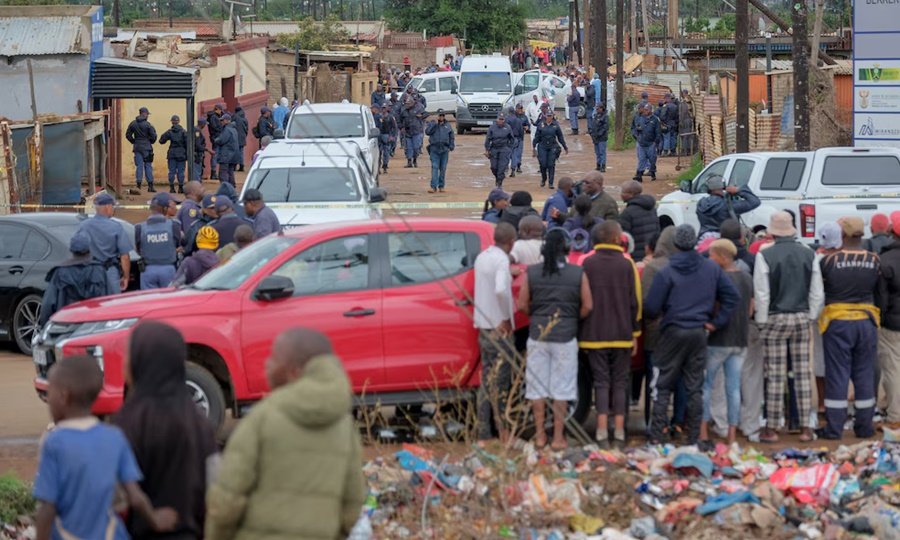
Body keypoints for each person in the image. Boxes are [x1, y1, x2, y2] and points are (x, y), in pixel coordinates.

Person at [205, 328, 365, 540]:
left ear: (294, 372)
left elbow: (227, 499)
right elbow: (353, 503)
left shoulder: (262, 418)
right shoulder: (344, 427)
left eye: (274, 358)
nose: (267, 364)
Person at [34, 356, 177, 540]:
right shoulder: (114, 437)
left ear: (64, 396)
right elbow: (135, 497)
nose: (48, 399)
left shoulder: (53, 442)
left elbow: (48, 508)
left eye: (49, 393)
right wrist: (155, 520)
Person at [112, 322, 217, 540]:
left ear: (142, 362)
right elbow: (216, 496)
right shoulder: (199, 423)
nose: (124, 363)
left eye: (128, 355)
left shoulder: (128, 422)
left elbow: (116, 499)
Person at [645, 224, 740, 445]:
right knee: (694, 386)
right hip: (698, 332)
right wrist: (715, 322)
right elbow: (732, 297)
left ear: (675, 244)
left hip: (672, 332)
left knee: (662, 385)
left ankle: (657, 438)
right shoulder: (711, 269)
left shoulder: (666, 271)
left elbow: (651, 307)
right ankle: (694, 438)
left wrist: (665, 313)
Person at [517, 228, 592, 450]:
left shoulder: (532, 272)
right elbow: (588, 305)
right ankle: (559, 437)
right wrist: (571, 318)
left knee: (536, 387)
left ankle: (540, 435)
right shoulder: (577, 273)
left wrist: (536, 315)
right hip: (566, 337)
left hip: (538, 336)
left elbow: (522, 304)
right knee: (563, 387)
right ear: (567, 248)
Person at [753, 211, 823, 443]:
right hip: (802, 316)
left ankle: (772, 427)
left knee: (774, 373)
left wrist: (762, 321)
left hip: (775, 317)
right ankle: (805, 427)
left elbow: (762, 293)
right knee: (803, 372)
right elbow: (816, 291)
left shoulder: (765, 255)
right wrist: (811, 315)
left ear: (772, 231)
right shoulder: (808, 253)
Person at [817, 216, 880, 440]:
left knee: (837, 374)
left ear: (841, 235)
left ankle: (834, 428)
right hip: (866, 321)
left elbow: (820, 293)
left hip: (838, 323)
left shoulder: (829, 262)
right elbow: (879, 294)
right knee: (864, 373)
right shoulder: (874, 260)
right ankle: (864, 427)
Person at [580, 221, 642, 449]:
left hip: (593, 334)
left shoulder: (586, 263)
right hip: (623, 333)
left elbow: (581, 299)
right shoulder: (628, 265)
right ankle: (618, 433)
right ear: (617, 239)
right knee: (620, 382)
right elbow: (635, 302)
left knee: (600, 382)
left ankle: (601, 432)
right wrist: (635, 332)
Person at [699, 239, 753, 448]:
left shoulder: (716, 278)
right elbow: (750, 309)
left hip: (718, 339)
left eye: (712, 255)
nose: (709, 259)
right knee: (733, 388)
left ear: (722, 257)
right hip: (741, 339)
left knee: (706, 385)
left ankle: (703, 432)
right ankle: (731, 434)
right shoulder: (746, 277)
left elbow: (712, 307)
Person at [473, 222, 518, 442]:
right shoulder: (501, 260)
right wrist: (506, 318)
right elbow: (500, 289)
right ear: (511, 242)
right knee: (501, 383)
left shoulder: (483, 257)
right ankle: (503, 432)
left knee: (486, 379)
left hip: (483, 325)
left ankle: (483, 430)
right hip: (498, 328)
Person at [39, 232, 110, 326]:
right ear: (89, 249)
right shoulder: (99, 270)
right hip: (94, 326)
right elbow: (110, 299)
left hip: (67, 326)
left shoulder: (60, 272)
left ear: (71, 250)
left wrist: (46, 326)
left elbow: (48, 304)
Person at [77, 193, 131, 294]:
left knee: (92, 305)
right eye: (113, 206)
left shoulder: (84, 225)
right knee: (112, 305)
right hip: (109, 272)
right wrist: (126, 277)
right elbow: (125, 256)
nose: (114, 209)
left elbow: (77, 250)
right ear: (107, 206)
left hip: (91, 272)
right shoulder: (116, 227)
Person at [877, 211, 900, 429]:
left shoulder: (885, 260)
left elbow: (881, 297)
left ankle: (895, 414)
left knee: (892, 368)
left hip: (892, 323)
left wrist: (881, 319)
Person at [135, 193, 181, 290]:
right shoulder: (174, 225)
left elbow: (138, 249)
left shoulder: (139, 228)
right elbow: (178, 244)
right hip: (168, 269)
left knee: (151, 303)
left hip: (147, 270)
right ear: (165, 209)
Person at [696, 176, 761, 237]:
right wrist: (738, 190)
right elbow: (755, 201)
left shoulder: (701, 203)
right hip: (726, 241)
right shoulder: (728, 205)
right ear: (723, 187)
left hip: (704, 239)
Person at [619, 180, 659, 261]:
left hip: (635, 256)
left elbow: (624, 238)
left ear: (631, 194)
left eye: (623, 192)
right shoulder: (652, 208)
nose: (620, 194)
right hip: (650, 254)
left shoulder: (627, 213)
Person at [532, 111, 568, 189]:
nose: (549, 117)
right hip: (542, 146)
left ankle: (551, 182)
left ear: (552, 116)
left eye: (550, 116)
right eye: (548, 116)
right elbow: (537, 136)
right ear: (545, 116)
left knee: (551, 164)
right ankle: (543, 178)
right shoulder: (541, 125)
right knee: (543, 164)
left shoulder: (556, 125)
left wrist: (565, 147)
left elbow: (560, 137)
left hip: (552, 146)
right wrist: (533, 147)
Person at [126, 106, 158, 192]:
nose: (147, 116)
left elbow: (128, 135)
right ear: (144, 114)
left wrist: (134, 141)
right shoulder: (148, 125)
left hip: (137, 147)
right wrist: (150, 142)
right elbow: (154, 136)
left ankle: (138, 185)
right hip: (147, 147)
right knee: (148, 166)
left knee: (139, 166)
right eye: (147, 114)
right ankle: (150, 186)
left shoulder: (133, 123)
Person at [425, 109, 455, 193]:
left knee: (443, 168)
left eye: (442, 115)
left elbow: (451, 136)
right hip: (434, 149)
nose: (441, 117)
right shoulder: (432, 124)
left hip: (444, 150)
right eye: (440, 115)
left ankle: (441, 186)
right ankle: (433, 186)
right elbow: (427, 132)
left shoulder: (448, 125)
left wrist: (451, 145)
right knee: (434, 167)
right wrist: (434, 124)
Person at [631, 103, 661, 182]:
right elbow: (635, 128)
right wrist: (637, 134)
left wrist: (656, 142)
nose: (645, 111)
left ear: (651, 110)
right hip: (642, 142)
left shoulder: (655, 119)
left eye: (647, 110)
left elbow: (658, 132)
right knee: (641, 159)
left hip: (651, 143)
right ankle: (639, 175)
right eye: (645, 110)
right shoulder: (641, 118)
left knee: (652, 159)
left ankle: (653, 173)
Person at [158, 115, 188, 194]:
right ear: (179, 121)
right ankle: (180, 188)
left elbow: (161, 141)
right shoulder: (183, 132)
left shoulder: (169, 132)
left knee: (171, 171)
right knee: (181, 171)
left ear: (172, 122)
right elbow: (187, 143)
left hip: (172, 153)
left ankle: (172, 188)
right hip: (181, 153)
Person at [484, 113, 516, 188]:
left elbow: (512, 139)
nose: (501, 121)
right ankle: (497, 177)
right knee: (493, 167)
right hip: (494, 149)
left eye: (502, 119)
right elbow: (488, 139)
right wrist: (487, 149)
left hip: (504, 149)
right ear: (496, 120)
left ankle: (499, 182)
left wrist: (509, 148)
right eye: (499, 119)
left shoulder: (508, 127)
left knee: (502, 167)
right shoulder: (492, 128)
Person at [399, 97, 426, 168]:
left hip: (416, 131)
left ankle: (415, 160)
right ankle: (409, 162)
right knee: (408, 148)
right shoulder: (404, 111)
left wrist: (421, 116)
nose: (407, 105)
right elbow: (399, 119)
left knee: (416, 147)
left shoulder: (418, 108)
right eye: (406, 104)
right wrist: (401, 127)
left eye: (408, 104)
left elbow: (426, 114)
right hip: (407, 132)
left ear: (412, 103)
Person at [214, 113, 240, 187]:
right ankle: (232, 186)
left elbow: (222, 140)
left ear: (227, 120)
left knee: (223, 173)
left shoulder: (227, 129)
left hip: (226, 155)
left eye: (222, 120)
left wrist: (216, 140)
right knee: (230, 172)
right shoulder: (234, 129)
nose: (221, 122)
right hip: (233, 155)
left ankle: (225, 187)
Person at [206, 104, 225, 180]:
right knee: (215, 154)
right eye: (220, 110)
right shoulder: (214, 117)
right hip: (216, 137)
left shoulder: (215, 116)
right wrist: (221, 126)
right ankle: (213, 172)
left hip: (216, 136)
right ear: (217, 109)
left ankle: (214, 172)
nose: (221, 112)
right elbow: (215, 127)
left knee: (216, 154)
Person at [588, 103, 609, 172]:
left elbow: (605, 127)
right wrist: (591, 133)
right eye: (596, 109)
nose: (597, 110)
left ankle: (603, 166)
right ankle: (598, 165)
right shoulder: (596, 116)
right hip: (595, 137)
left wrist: (599, 134)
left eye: (598, 108)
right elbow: (592, 125)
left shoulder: (605, 116)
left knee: (602, 152)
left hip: (602, 138)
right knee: (597, 152)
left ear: (602, 108)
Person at [509, 103, 528, 177]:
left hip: (520, 137)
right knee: (512, 153)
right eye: (519, 108)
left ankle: (518, 166)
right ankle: (514, 165)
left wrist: (527, 127)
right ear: (515, 109)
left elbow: (527, 125)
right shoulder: (513, 117)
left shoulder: (524, 117)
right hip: (513, 137)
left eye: (521, 108)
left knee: (519, 153)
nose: (520, 110)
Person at [377, 103, 398, 173]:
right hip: (379, 136)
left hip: (387, 136)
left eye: (384, 108)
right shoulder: (378, 117)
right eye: (382, 108)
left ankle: (385, 166)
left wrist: (392, 137)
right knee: (378, 153)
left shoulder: (390, 117)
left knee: (386, 153)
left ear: (387, 109)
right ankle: (378, 168)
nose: (383, 109)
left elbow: (394, 128)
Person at [232, 106, 249, 172]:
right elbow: (247, 128)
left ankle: (234, 166)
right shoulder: (244, 118)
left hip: (236, 137)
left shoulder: (234, 117)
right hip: (242, 137)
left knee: (235, 152)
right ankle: (241, 166)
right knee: (241, 152)